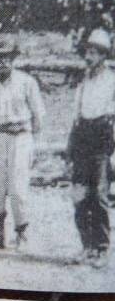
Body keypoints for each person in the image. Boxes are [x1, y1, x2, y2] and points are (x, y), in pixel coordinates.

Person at [0, 44, 45, 249]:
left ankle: (22, 234)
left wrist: (33, 142)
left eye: (7, 58)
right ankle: (0, 236)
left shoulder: (26, 82)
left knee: (17, 187)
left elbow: (38, 116)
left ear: (13, 60)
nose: (2, 63)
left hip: (20, 137)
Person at [66, 28, 114, 268]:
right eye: (87, 52)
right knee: (79, 197)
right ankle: (86, 246)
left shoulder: (112, 81)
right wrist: (70, 148)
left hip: (102, 141)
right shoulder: (83, 82)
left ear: (103, 55)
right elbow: (76, 118)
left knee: (99, 196)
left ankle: (102, 248)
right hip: (82, 139)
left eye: (94, 52)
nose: (89, 56)